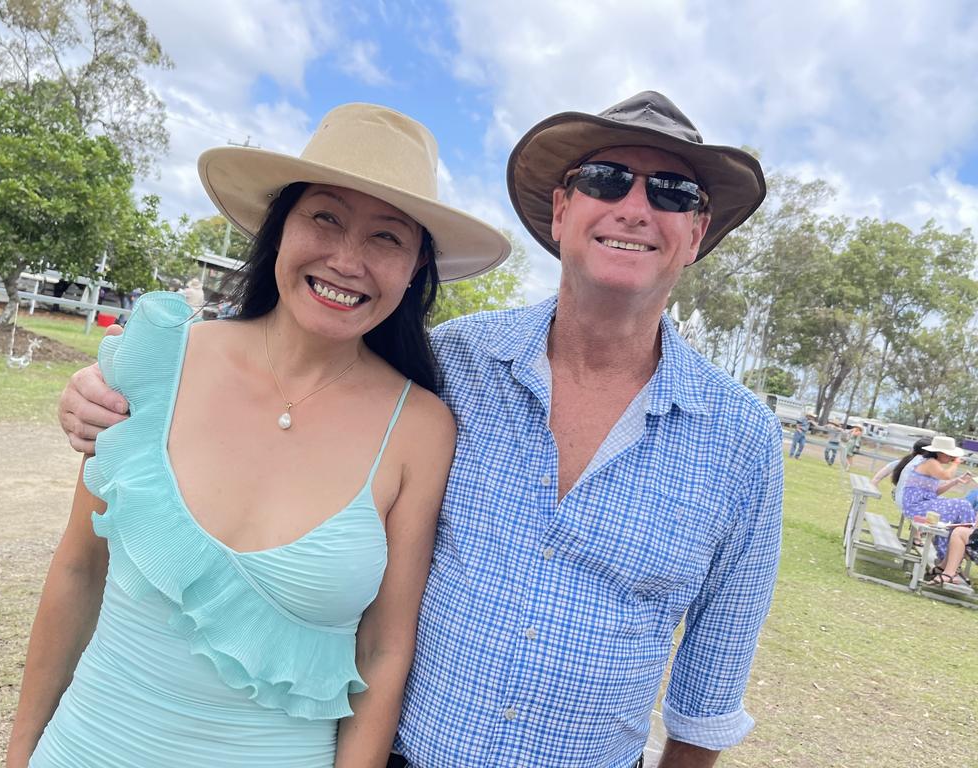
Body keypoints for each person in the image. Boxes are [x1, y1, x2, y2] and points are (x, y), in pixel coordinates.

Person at [57, 91, 783, 767]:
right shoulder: (453, 365)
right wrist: (103, 395)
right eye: (606, 178)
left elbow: (707, 700)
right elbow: (307, 359)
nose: (634, 207)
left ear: (696, 234)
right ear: (562, 211)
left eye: (673, 192)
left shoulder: (744, 441)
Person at [7, 103, 510, 768]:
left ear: (417, 267)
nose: (346, 259)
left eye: (386, 238)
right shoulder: (155, 361)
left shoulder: (421, 428)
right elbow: (77, 570)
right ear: (281, 227)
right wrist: (19, 754)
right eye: (324, 216)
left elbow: (383, 650)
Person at [899, 435, 976, 586]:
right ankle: (961, 552)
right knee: (962, 506)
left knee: (958, 511)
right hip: (917, 507)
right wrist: (956, 463)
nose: (951, 458)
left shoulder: (930, 463)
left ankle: (948, 561)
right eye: (950, 455)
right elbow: (946, 474)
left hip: (924, 504)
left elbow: (934, 492)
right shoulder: (931, 462)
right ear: (939, 453)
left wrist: (955, 482)